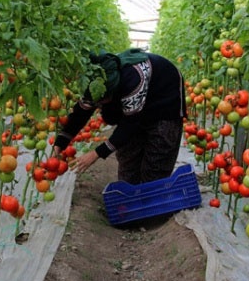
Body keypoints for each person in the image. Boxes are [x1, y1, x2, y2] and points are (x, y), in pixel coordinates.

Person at [53, 48, 187, 185]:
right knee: (128, 157)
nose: (98, 106)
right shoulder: (94, 83)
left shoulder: (133, 79)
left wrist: (96, 153)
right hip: (135, 102)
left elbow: (130, 124)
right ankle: (129, 197)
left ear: (112, 93)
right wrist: (60, 144)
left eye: (101, 103)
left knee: (158, 156)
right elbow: (80, 114)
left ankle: (152, 195)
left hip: (165, 97)